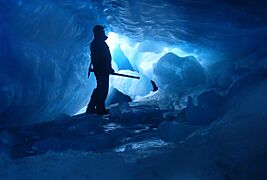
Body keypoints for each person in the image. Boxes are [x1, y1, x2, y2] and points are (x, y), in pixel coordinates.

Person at [86, 25, 114, 115]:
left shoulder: (98, 42)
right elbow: (101, 58)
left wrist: (108, 67)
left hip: (101, 69)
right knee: (102, 89)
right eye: (102, 31)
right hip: (102, 70)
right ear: (98, 32)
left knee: (100, 88)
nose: (103, 32)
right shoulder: (98, 43)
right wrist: (106, 68)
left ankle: (93, 108)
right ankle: (99, 109)